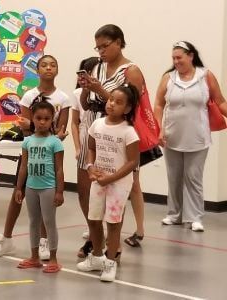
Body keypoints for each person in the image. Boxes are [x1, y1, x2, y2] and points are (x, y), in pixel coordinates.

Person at [0, 55, 70, 259]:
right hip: (30, 152)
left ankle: (43, 242)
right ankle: (6, 239)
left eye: (53, 64)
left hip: (49, 155)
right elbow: (24, 127)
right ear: (37, 69)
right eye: (44, 65)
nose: (48, 68)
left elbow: (61, 131)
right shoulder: (28, 96)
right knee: (19, 194)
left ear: (57, 70)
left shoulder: (63, 98)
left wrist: (44, 133)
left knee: (46, 203)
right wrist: (34, 129)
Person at [77, 24, 146, 249]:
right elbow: (86, 104)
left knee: (117, 190)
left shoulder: (131, 71)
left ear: (118, 42)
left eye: (105, 46)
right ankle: (95, 239)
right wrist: (87, 88)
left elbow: (130, 107)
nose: (101, 52)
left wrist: (102, 92)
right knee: (87, 187)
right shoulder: (97, 67)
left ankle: (111, 247)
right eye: (97, 48)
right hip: (95, 127)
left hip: (118, 135)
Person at [154, 41, 227, 232]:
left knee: (193, 176)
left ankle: (195, 217)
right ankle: (174, 214)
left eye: (179, 57)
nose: (176, 61)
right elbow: (159, 105)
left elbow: (220, 102)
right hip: (172, 135)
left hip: (198, 136)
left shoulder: (206, 75)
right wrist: (159, 130)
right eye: (173, 58)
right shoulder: (168, 78)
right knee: (174, 177)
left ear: (191, 56)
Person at [77, 84, 140, 282]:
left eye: (119, 102)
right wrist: (90, 166)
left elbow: (132, 162)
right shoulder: (97, 125)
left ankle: (110, 262)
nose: (112, 104)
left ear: (128, 109)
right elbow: (91, 148)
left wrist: (111, 178)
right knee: (94, 219)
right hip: (99, 180)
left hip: (118, 184)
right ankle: (96, 257)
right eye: (111, 99)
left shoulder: (129, 132)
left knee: (113, 223)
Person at [15, 100, 64, 273]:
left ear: (52, 121)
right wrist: (18, 188)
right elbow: (23, 167)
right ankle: (34, 257)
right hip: (31, 187)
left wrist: (59, 191)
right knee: (33, 222)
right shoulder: (27, 141)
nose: (42, 122)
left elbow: (59, 169)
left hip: (48, 188)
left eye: (47, 118)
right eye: (38, 118)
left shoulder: (55, 142)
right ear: (32, 119)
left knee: (49, 222)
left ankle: (53, 258)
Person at [71, 57, 100, 258]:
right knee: (84, 193)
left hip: (104, 143)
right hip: (85, 141)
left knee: (104, 194)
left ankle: (104, 241)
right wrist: (78, 147)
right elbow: (75, 122)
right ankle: (93, 233)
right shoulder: (78, 94)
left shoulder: (109, 92)